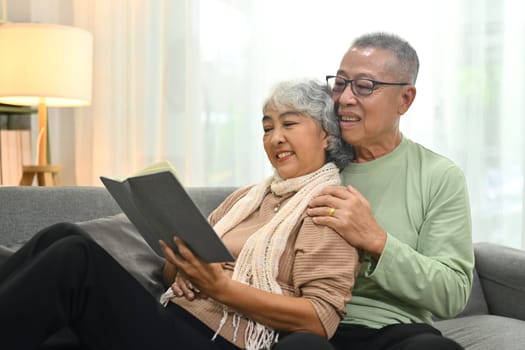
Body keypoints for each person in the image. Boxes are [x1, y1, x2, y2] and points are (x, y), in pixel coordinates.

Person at [0, 78, 359, 350]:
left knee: (74, 258)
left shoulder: (328, 208)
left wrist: (220, 287)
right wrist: (183, 269)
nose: (275, 137)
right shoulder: (246, 199)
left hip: (219, 340)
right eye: (267, 127)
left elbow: (319, 320)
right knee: (65, 234)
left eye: (289, 124)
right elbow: (171, 270)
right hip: (174, 317)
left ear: (326, 136)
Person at [274, 32, 474, 350]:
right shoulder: (311, 163)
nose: (344, 99)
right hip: (313, 325)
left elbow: (452, 293)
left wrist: (376, 240)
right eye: (339, 83)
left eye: (365, 86)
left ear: (405, 99)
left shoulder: (439, 176)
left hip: (397, 329)